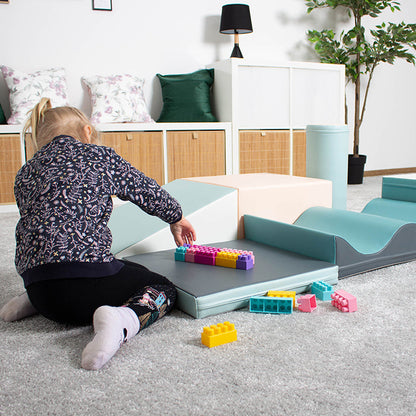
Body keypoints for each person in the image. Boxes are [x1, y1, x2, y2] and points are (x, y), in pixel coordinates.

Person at [0, 98, 196, 370]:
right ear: (87, 131)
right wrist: (176, 217)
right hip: (88, 292)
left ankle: (30, 300)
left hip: (41, 291)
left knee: (70, 260)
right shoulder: (100, 156)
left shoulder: (25, 172)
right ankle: (122, 321)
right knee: (161, 288)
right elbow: (145, 190)